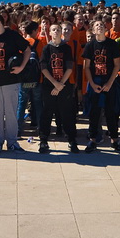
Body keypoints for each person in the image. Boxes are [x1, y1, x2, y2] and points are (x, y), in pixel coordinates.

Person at [0, 12, 30, 153]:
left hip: (11, 81)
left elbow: (27, 50)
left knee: (11, 112)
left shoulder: (13, 35)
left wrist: (21, 67)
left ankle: (12, 142)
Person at [82, 19, 120, 152]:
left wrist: (110, 82)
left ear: (105, 29)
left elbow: (117, 65)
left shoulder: (112, 44)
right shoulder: (90, 45)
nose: (99, 27)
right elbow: (86, 67)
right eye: (96, 25)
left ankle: (115, 140)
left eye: (101, 25)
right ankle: (92, 140)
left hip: (109, 82)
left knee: (111, 112)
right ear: (93, 30)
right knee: (94, 113)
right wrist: (92, 84)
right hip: (95, 82)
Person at [39, 22, 79, 153]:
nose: (55, 31)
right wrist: (54, 84)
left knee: (67, 113)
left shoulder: (66, 48)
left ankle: (72, 140)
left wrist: (60, 84)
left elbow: (69, 67)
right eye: (53, 30)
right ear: (49, 32)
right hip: (49, 86)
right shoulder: (46, 48)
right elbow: (44, 68)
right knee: (47, 112)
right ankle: (43, 140)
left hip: (64, 85)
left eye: (58, 29)